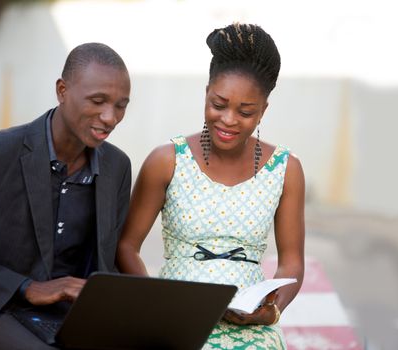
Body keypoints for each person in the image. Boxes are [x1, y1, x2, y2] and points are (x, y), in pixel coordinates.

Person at [117, 23, 305, 349]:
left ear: (263, 112)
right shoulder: (167, 160)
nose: (229, 120)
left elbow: (292, 263)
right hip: (174, 312)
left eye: (245, 112)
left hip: (250, 321)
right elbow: (126, 246)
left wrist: (270, 311)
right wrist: (155, 303)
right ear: (206, 93)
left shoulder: (286, 169)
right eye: (219, 105)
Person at [0, 42, 132, 350]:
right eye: (98, 101)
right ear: (62, 90)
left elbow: (107, 262)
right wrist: (26, 288)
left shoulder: (117, 166)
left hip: (70, 316)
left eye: (121, 105)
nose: (110, 117)